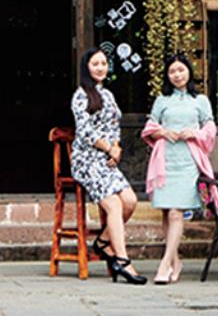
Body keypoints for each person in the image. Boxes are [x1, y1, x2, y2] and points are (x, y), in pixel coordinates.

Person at [71, 48, 145, 285]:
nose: (100, 68)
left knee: (130, 201)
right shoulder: (81, 96)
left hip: (106, 159)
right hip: (87, 159)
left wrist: (116, 147)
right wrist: (107, 148)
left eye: (103, 63)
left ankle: (103, 242)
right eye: (95, 64)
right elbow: (85, 132)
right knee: (114, 204)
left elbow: (114, 126)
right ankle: (122, 259)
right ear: (86, 68)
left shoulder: (109, 95)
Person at [142, 53, 217, 284]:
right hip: (165, 159)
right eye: (172, 71)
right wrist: (163, 132)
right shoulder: (162, 100)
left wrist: (194, 133)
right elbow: (149, 127)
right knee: (166, 212)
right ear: (167, 75)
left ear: (189, 72)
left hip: (188, 160)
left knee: (176, 212)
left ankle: (164, 264)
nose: (177, 75)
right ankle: (175, 260)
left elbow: (210, 129)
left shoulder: (200, 100)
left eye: (181, 70)